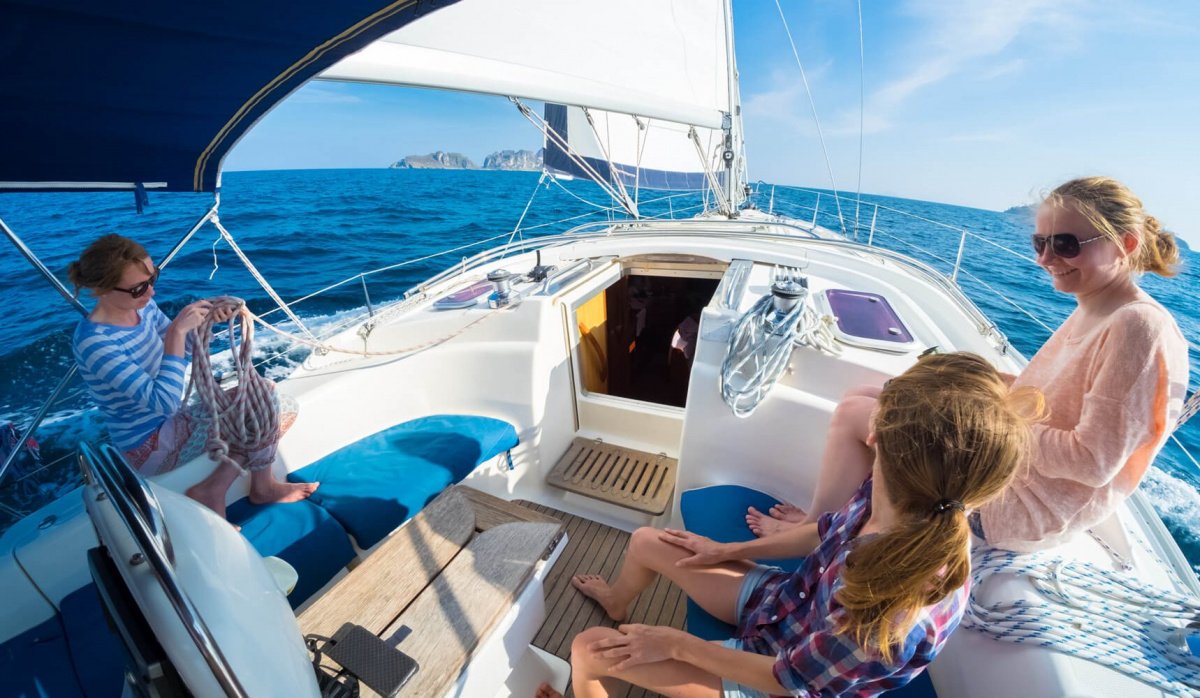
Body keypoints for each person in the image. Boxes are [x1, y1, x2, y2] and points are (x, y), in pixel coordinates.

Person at [537, 352, 1042, 698]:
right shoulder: (905, 496)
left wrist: (675, 644)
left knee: (587, 651)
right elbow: (827, 530)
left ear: (879, 437)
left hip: (779, 680)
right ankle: (619, 602)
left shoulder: (890, 615)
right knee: (649, 540)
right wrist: (722, 551)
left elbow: (788, 679)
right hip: (785, 610)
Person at [746, 176, 1190, 553]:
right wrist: (976, 382)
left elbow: (1092, 462)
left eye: (1066, 244)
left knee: (856, 415)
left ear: (1125, 244)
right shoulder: (1096, 304)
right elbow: (1054, 397)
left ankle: (816, 531)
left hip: (1022, 504)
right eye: (1040, 242)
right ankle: (839, 515)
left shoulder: (1138, 327)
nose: (1045, 259)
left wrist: (983, 421)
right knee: (869, 393)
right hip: (1013, 467)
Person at [69, 234, 317, 518]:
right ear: (101, 289)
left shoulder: (142, 306)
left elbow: (185, 348)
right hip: (148, 445)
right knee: (272, 404)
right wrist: (176, 330)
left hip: (174, 420)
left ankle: (223, 487)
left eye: (153, 279)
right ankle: (254, 488)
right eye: (139, 288)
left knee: (263, 395)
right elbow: (164, 403)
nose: (151, 293)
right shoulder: (95, 342)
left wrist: (206, 322)